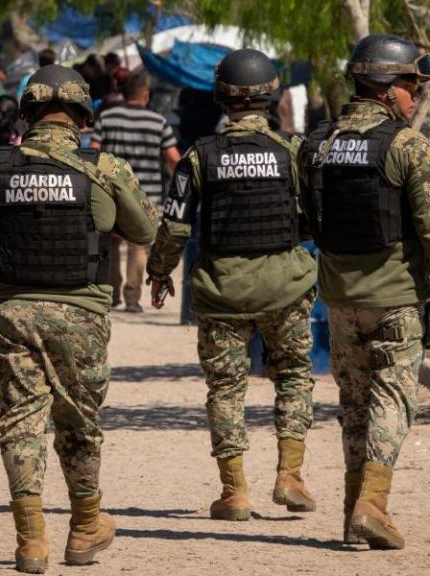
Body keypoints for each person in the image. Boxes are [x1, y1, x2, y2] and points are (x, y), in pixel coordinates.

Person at [0, 64, 158, 573]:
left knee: (21, 424)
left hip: (13, 313)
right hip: (81, 315)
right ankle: (85, 527)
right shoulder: (106, 169)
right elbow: (146, 229)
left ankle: (30, 541)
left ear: (27, 113)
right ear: (84, 117)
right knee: (79, 423)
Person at [300, 34, 430, 549]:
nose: (415, 99)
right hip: (396, 298)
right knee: (392, 399)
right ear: (385, 89)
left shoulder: (317, 145)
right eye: (410, 87)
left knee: (353, 404)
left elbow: (310, 218)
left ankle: (353, 518)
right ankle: (372, 505)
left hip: (340, 299)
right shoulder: (408, 146)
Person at [146, 49, 318, 522]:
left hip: (222, 292)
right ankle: (290, 474)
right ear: (270, 95)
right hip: (285, 287)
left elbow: (176, 225)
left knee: (225, 389)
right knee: (293, 378)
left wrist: (159, 272)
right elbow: (316, 218)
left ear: (221, 97)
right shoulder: (293, 152)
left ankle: (235, 492)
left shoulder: (199, 157)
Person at [90, 70, 180, 313]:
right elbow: (174, 159)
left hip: (111, 192)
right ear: (146, 95)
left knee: (109, 242)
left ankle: (112, 293)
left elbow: (93, 153)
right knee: (138, 246)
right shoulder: (158, 121)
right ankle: (132, 298)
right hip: (146, 195)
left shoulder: (106, 117)